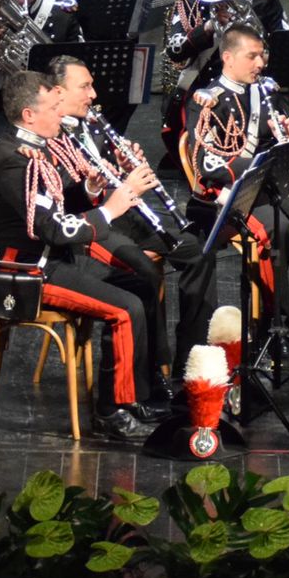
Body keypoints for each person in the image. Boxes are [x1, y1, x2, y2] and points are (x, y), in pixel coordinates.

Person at [0, 70, 160, 443]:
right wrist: (110, 208)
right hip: (29, 273)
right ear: (29, 115)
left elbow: (57, 209)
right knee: (126, 309)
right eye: (53, 107)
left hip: (54, 259)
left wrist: (89, 189)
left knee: (142, 283)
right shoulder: (16, 159)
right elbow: (53, 229)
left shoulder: (32, 147)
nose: (62, 113)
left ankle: (137, 394)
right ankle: (111, 411)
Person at [182, 25, 289, 346]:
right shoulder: (206, 100)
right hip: (239, 188)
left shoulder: (266, 90)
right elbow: (208, 164)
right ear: (228, 58)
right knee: (280, 231)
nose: (260, 62)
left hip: (277, 181)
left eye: (262, 55)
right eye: (252, 56)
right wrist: (261, 167)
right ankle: (271, 322)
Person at [45, 55, 212, 375]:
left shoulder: (89, 123)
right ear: (58, 93)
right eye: (85, 87)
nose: (94, 95)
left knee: (195, 250)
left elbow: (107, 174)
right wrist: (101, 189)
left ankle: (191, 355)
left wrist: (125, 168)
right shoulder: (49, 134)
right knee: (143, 271)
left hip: (122, 213)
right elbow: (64, 199)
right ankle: (152, 366)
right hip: (88, 226)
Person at [162, 0, 285, 166]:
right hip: (208, 83)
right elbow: (174, 50)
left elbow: (284, 45)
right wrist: (208, 27)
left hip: (255, 80)